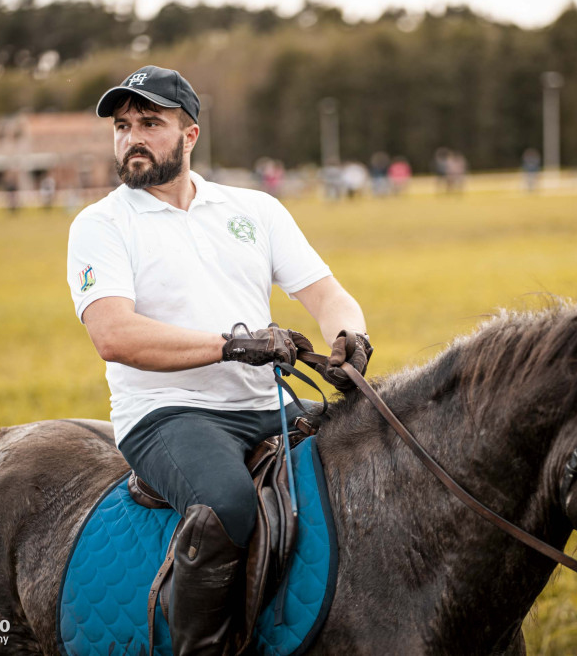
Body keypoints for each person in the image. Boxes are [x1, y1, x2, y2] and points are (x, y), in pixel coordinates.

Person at [66, 65, 370, 655]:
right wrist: (233, 343)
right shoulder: (101, 224)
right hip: (166, 415)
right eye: (122, 125)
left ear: (190, 136)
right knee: (227, 502)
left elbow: (327, 295)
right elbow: (115, 336)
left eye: (150, 123)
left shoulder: (255, 209)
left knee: (370, 454)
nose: (131, 137)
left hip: (266, 404)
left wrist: (349, 336)